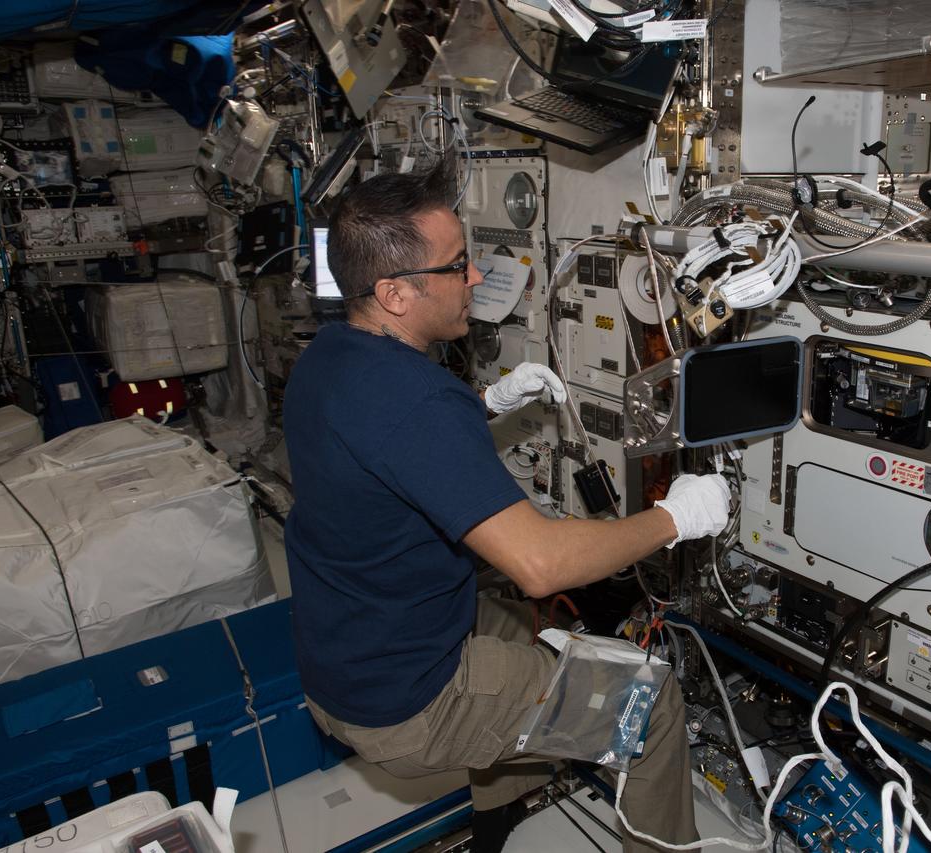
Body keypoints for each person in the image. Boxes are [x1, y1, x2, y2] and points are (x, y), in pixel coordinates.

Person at [283, 160, 731, 852]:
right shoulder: (416, 403)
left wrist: (483, 406)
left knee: (519, 630)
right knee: (653, 701)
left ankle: (501, 825)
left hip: (341, 662)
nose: (474, 278)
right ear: (395, 293)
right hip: (408, 703)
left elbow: (382, 456)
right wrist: (677, 516)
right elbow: (543, 564)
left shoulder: (327, 359)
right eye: (456, 266)